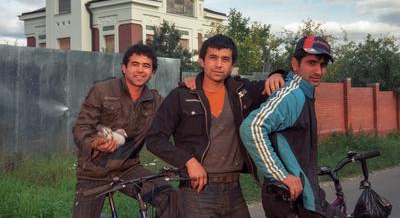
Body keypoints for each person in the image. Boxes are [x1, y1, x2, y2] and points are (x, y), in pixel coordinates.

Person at [145, 34, 285, 218]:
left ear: (232, 65)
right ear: (201, 61)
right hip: (196, 190)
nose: (219, 65)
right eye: (213, 58)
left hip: (234, 190)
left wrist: (278, 74)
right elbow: (154, 139)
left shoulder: (242, 92)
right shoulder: (181, 96)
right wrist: (188, 161)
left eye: (225, 59)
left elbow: (291, 79)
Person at [72, 44, 178, 218]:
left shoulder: (156, 101)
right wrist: (94, 144)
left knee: (169, 196)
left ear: (152, 72)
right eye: (135, 64)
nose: (140, 70)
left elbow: (178, 112)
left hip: (128, 169)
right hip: (93, 171)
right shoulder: (102, 90)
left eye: (146, 66)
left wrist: (191, 84)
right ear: (124, 68)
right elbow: (81, 128)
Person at [240, 35, 337, 218]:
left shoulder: (304, 92)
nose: (318, 70)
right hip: (289, 200)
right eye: (312, 63)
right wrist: (281, 175)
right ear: (295, 63)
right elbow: (251, 128)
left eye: (323, 65)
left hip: (302, 196)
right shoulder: (293, 94)